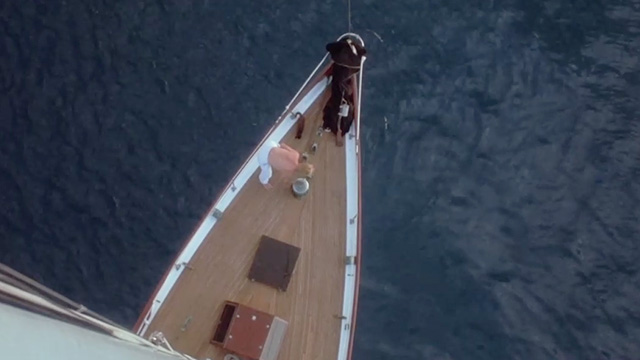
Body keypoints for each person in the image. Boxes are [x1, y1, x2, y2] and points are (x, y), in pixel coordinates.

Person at [323, 38, 366, 146]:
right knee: (340, 94)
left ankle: (335, 126)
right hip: (338, 119)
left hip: (338, 119)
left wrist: (338, 131)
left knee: (340, 96)